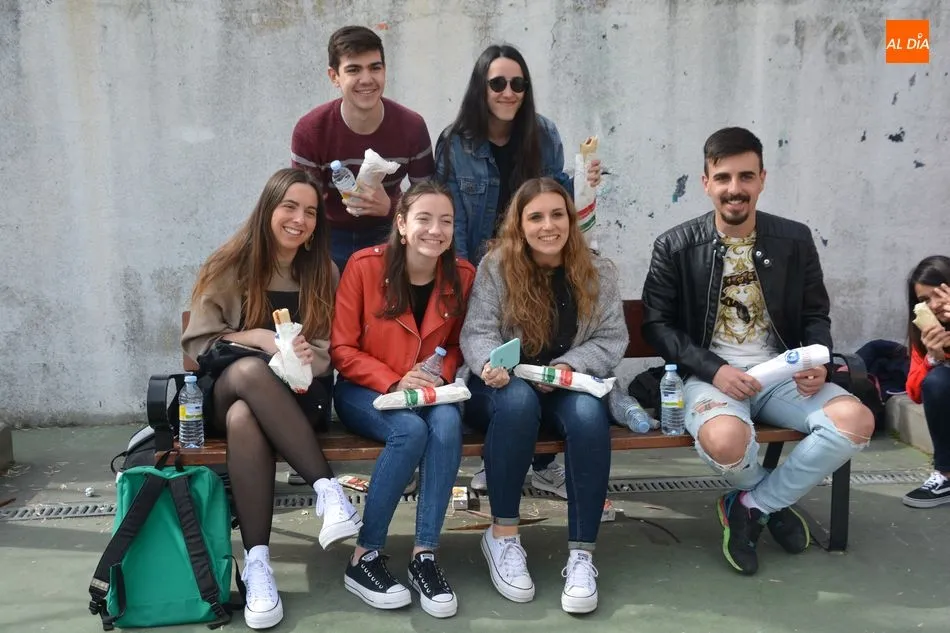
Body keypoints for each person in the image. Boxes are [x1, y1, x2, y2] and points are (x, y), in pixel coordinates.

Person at [641, 127, 875, 576]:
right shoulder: (674, 245)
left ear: (762, 179)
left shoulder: (795, 239)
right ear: (706, 182)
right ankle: (771, 502)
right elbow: (657, 325)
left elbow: (814, 315)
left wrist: (817, 360)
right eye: (724, 177)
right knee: (727, 443)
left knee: (857, 422)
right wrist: (715, 369)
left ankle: (751, 505)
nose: (735, 189)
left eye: (746, 177)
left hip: (783, 375)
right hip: (710, 378)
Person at [182, 168, 362, 629]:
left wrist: (309, 354)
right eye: (289, 207)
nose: (299, 219)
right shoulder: (229, 265)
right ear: (268, 210)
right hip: (228, 385)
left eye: (309, 212)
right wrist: (258, 336)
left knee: (247, 419)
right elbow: (197, 346)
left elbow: (331, 353)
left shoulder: (324, 271)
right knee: (247, 374)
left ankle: (257, 564)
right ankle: (328, 489)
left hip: (302, 399)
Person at [435, 43, 602, 497]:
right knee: (497, 369)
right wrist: (471, 275)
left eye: (518, 84)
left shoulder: (543, 134)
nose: (508, 92)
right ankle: (502, 457)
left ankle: (541, 462)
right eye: (497, 83)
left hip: (535, 265)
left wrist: (585, 187)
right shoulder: (456, 142)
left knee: (540, 351)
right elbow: (455, 220)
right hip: (481, 271)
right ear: (481, 88)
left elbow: (556, 201)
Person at [460, 177, 627, 614]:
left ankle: (581, 555)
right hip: (503, 387)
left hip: (565, 383)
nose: (547, 226)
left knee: (590, 416)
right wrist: (489, 366)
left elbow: (612, 338)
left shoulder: (598, 271)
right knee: (518, 403)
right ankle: (503, 536)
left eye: (557, 215)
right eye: (536, 217)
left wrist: (569, 367)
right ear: (520, 223)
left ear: (571, 221)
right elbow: (477, 331)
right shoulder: (497, 267)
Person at [330, 180, 475, 618]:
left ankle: (424, 556)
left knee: (448, 422)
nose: (436, 230)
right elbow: (342, 349)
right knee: (409, 431)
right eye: (424, 219)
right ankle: (364, 556)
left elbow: (457, 346)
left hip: (428, 389)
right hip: (365, 389)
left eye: (446, 221)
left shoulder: (462, 275)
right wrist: (395, 381)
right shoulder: (364, 266)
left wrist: (433, 376)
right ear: (402, 224)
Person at [292, 25, 435, 272]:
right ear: (334, 76)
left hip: (389, 230)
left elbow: (430, 197)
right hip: (329, 234)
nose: (367, 79)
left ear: (385, 70)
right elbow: (302, 203)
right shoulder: (311, 130)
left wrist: (390, 207)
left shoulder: (412, 126)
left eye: (375, 67)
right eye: (353, 70)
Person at [901, 255, 950, 508]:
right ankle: (946, 475)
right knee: (937, 381)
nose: (932, 306)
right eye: (923, 301)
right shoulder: (926, 332)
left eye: (938, 295)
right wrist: (933, 358)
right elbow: (916, 392)